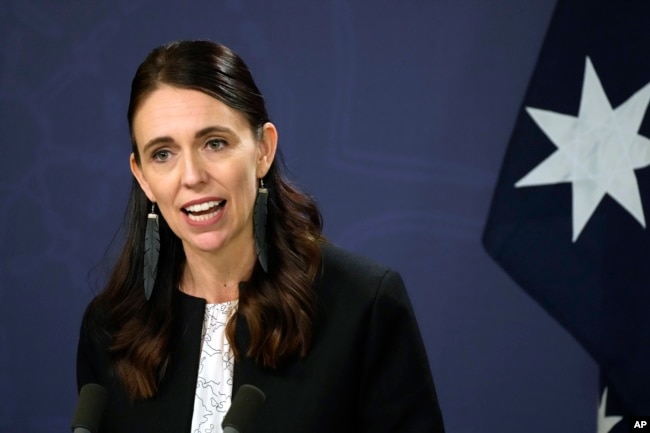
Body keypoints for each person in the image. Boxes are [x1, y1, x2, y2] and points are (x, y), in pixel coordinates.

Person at [76, 39, 445, 433]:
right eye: (163, 154)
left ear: (263, 150)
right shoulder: (111, 327)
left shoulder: (362, 304)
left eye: (214, 143)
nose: (192, 176)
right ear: (143, 177)